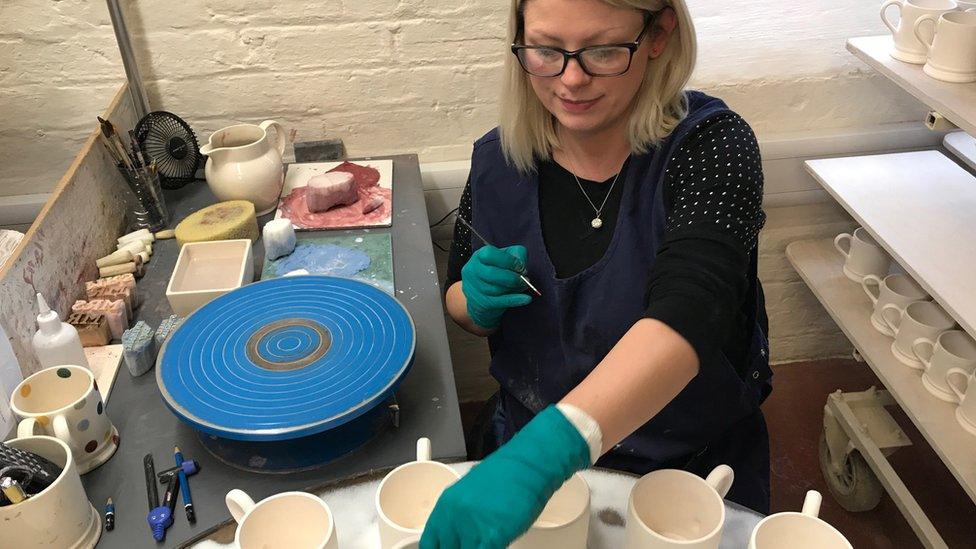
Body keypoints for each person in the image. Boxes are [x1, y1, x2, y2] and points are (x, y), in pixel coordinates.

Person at [421, 0, 772, 547]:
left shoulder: (711, 149)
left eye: (603, 50)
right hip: (522, 441)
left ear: (658, 34)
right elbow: (458, 299)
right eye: (545, 50)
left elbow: (691, 312)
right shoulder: (498, 160)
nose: (572, 79)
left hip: (678, 472)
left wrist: (543, 457)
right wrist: (475, 302)